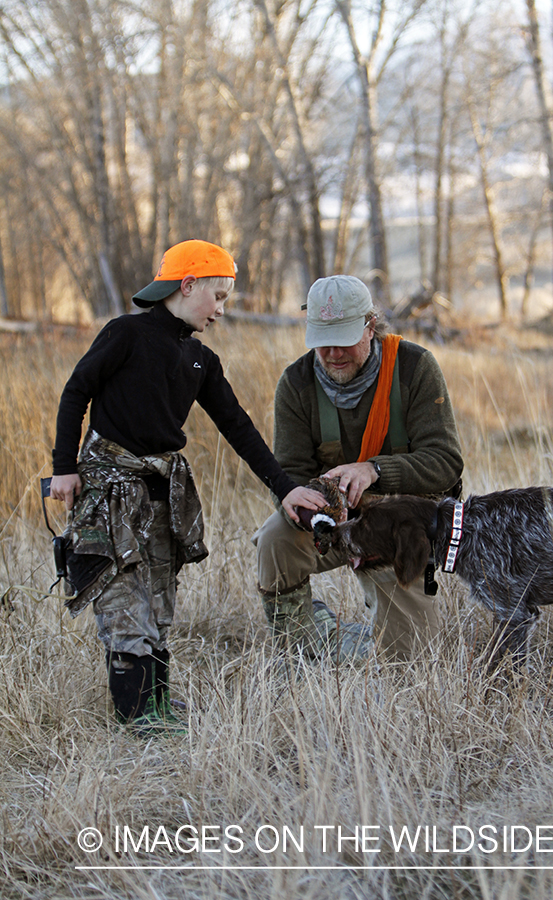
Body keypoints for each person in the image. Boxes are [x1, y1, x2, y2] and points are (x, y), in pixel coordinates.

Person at [50, 239, 326, 732]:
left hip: (161, 491)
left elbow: (239, 428)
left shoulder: (200, 360)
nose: (221, 310)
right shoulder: (125, 334)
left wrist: (285, 490)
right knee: (122, 594)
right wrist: (64, 466)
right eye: (217, 296)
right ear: (188, 284)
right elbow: (76, 391)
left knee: (158, 595)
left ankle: (155, 702)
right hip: (109, 488)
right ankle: (136, 717)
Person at [253, 274, 463, 662]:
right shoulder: (296, 384)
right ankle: (299, 645)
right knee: (274, 540)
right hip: (332, 524)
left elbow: (446, 463)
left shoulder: (414, 367)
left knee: (411, 662)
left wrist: (373, 470)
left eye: (344, 337)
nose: (333, 352)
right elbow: (290, 474)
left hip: (400, 531)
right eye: (321, 341)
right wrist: (312, 510)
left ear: (371, 326)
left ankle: (374, 638)